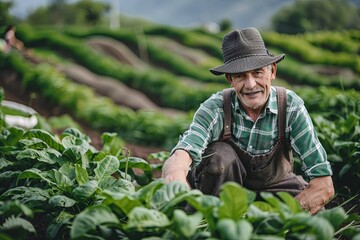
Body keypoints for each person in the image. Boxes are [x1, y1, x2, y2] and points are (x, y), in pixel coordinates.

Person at [161, 27, 334, 215]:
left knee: (319, 213)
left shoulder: (290, 107)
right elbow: (183, 153)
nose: (251, 85)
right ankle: (211, 220)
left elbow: (323, 184)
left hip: (275, 187)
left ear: (272, 71)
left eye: (258, 73)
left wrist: (281, 218)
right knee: (218, 157)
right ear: (230, 80)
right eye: (241, 76)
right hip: (223, 196)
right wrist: (175, 178)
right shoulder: (215, 108)